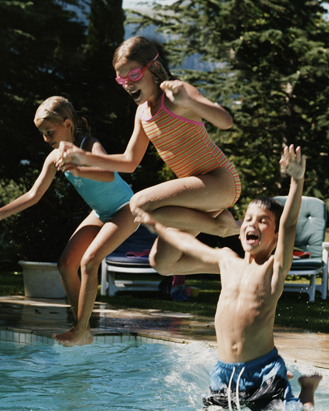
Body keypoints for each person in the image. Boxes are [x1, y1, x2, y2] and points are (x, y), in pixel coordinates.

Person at [135, 145, 321, 410]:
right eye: (247, 218)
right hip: (223, 372)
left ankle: (308, 390)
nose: (252, 224)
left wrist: (296, 181)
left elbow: (289, 223)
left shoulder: (274, 269)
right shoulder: (225, 259)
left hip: (263, 370)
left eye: (263, 221)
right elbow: (188, 246)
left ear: (276, 238)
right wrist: (155, 225)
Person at [59, 36, 240, 301]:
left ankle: (224, 228)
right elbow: (130, 162)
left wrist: (191, 102)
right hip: (197, 197)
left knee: (139, 204)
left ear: (153, 68)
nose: (127, 84)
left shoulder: (178, 95)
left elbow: (225, 121)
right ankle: (232, 265)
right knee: (162, 263)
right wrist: (85, 158)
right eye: (122, 79)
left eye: (133, 74)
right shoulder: (142, 113)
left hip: (219, 181)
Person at [0, 96, 139, 347]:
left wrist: (78, 166)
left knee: (90, 261)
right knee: (66, 265)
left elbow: (107, 174)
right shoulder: (53, 158)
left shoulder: (89, 145)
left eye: (49, 132)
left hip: (126, 208)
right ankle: (82, 326)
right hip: (100, 212)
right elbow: (33, 195)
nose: (46, 139)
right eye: (42, 134)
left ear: (67, 124)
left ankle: (80, 329)